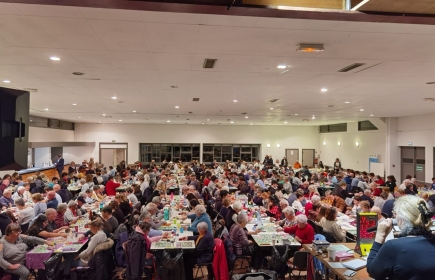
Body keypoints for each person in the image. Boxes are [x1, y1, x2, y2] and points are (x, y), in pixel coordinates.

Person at [367, 195, 435, 279]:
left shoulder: (394, 246)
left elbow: (373, 271)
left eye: (395, 213)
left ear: (402, 218)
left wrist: (380, 236)